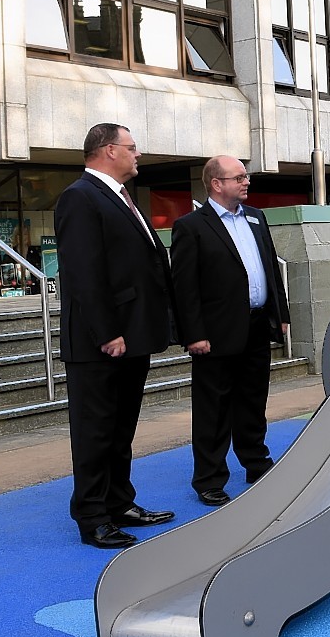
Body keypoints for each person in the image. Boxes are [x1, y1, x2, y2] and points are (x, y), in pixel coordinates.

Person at [54, 123, 176, 549]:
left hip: (132, 337)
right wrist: (107, 332)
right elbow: (83, 273)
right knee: (95, 432)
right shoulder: (80, 197)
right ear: (107, 151)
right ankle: (92, 517)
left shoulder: (121, 198)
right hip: (100, 343)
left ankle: (120, 502)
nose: (137, 154)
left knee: (121, 430)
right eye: (132, 147)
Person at [170, 156, 290, 507]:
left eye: (246, 175)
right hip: (215, 333)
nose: (246, 181)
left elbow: (269, 266)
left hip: (256, 326)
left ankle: (256, 463)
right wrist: (193, 334)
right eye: (238, 177)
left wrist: (279, 313)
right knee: (213, 409)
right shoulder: (191, 226)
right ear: (216, 184)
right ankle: (209, 478)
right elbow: (184, 288)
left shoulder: (256, 217)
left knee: (253, 401)